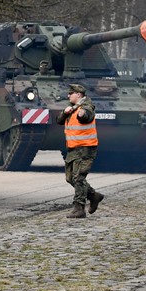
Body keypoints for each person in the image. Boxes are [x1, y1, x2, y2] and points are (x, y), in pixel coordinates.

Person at [58, 83, 103, 218]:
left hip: (85, 148)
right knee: (70, 178)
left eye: (70, 93)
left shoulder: (86, 106)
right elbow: (59, 121)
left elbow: (86, 116)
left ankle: (79, 208)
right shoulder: (72, 108)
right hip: (73, 148)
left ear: (78, 95)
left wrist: (82, 113)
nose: (68, 95)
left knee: (78, 178)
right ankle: (94, 196)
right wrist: (65, 112)